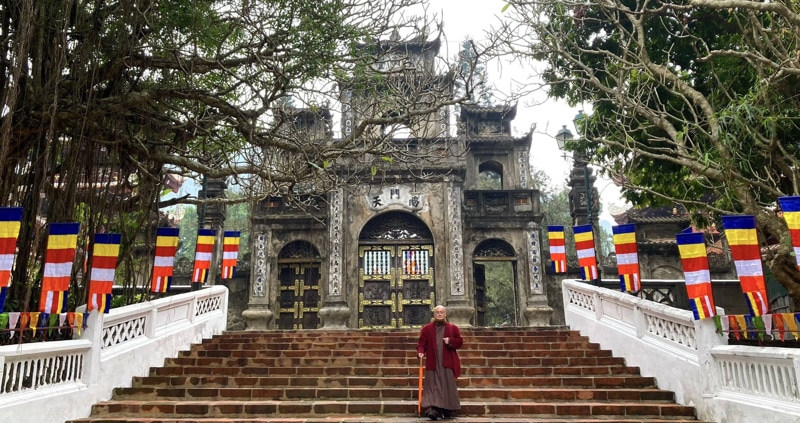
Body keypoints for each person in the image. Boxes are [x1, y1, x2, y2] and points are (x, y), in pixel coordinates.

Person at [416, 305, 463, 420]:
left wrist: (450, 341)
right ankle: (433, 409)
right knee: (432, 386)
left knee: (447, 385)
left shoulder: (453, 328)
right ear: (434, 314)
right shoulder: (426, 329)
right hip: (433, 362)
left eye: (442, 312)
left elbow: (459, 342)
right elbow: (421, 344)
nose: (440, 314)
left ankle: (446, 408)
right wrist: (420, 352)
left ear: (445, 314)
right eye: (437, 312)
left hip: (447, 362)